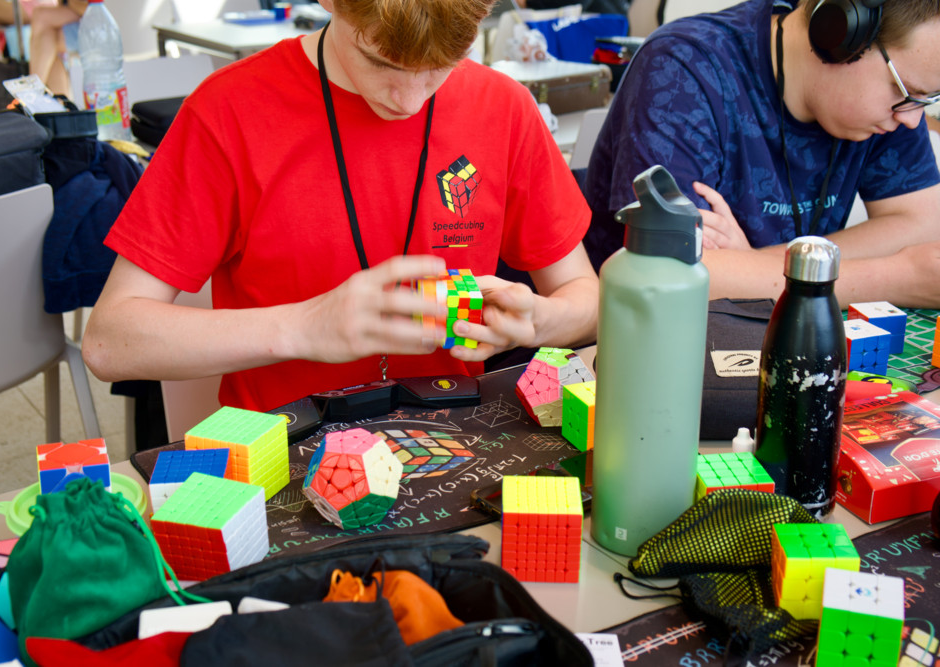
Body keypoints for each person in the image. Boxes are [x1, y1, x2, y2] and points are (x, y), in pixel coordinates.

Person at [82, 0, 598, 413]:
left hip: (449, 446)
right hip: (283, 454)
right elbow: (109, 342)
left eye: (440, 67)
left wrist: (539, 323)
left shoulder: (503, 108)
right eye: (380, 62)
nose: (409, 99)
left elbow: (588, 299)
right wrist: (306, 327)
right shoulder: (228, 113)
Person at [584, 0, 940, 308]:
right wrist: (896, 277)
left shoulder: (888, 114)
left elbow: (921, 226)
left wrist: (753, 264)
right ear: (841, 33)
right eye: (903, 90)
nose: (912, 119)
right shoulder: (683, 68)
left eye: (926, 99)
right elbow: (668, 272)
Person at [28, 0, 85, 96]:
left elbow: (87, 6)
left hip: (100, 20)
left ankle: (32, 92)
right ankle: (60, 103)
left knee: (41, 18)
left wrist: (72, 2)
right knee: (47, 42)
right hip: (80, 19)